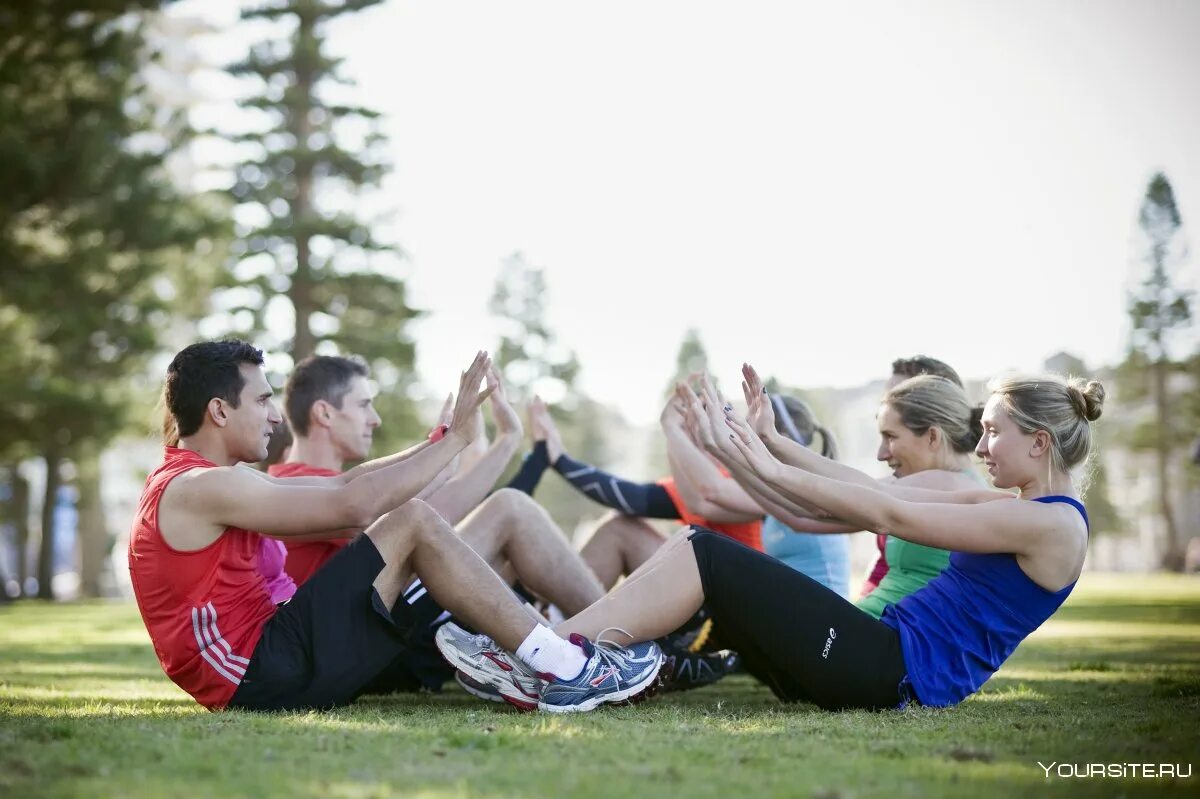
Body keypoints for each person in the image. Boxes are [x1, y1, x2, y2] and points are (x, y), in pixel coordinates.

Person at [440, 363, 1100, 712]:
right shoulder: (1017, 507)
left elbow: (886, 514)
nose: (981, 444)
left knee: (706, 552)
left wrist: (755, 459)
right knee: (698, 562)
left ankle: (558, 658)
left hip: (890, 669)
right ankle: (564, 660)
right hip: (876, 660)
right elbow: (869, 487)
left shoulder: (1051, 524)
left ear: (1038, 442)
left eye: (993, 431)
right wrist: (768, 443)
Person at [127, 341, 662, 714]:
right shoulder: (199, 487)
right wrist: (456, 442)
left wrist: (445, 438)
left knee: (431, 523)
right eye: (262, 400)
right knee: (417, 523)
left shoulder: (219, 480)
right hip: (260, 671)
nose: (273, 416)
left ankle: (570, 656)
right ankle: (569, 667)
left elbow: (353, 483)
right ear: (219, 411)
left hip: (276, 654)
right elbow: (355, 506)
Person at [265, 354, 610, 701]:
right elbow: (431, 516)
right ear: (324, 413)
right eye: (364, 405)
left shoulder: (323, 484)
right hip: (366, 637)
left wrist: (464, 446)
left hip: (377, 625)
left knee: (506, 534)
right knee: (509, 508)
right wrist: (491, 443)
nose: (375, 419)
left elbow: (434, 506)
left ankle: (596, 647)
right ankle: (614, 641)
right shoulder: (301, 484)